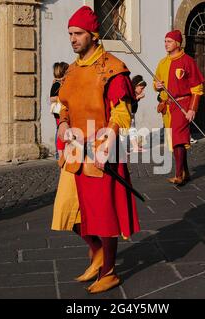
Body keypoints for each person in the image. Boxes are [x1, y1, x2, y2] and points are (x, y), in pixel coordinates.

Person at [54, 6, 140, 294]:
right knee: (69, 212)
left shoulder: (113, 68)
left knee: (103, 215)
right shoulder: (72, 70)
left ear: (93, 34)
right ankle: (97, 252)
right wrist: (62, 123)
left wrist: (105, 148)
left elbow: (121, 114)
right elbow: (63, 105)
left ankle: (110, 271)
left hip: (102, 150)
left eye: (78, 34)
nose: (73, 39)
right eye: (70, 34)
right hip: (75, 150)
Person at [154, 30, 204, 185]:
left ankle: (178, 175)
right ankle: (185, 172)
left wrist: (192, 109)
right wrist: (157, 85)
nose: (166, 44)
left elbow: (197, 87)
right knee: (177, 140)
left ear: (177, 43)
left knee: (178, 139)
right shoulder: (162, 62)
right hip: (168, 107)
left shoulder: (187, 61)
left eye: (169, 41)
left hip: (182, 104)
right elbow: (155, 82)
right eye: (165, 41)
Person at [50, 62, 69, 159]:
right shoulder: (57, 84)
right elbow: (52, 98)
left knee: (60, 130)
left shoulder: (60, 83)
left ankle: (61, 151)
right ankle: (59, 153)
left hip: (60, 110)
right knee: (60, 131)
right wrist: (62, 98)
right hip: (59, 111)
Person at [128, 75, 147, 153]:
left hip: (131, 114)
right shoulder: (130, 93)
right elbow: (129, 105)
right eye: (141, 88)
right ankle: (134, 147)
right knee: (130, 130)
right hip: (127, 114)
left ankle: (135, 146)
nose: (142, 91)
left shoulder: (133, 93)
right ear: (135, 86)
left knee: (132, 129)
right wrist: (137, 98)